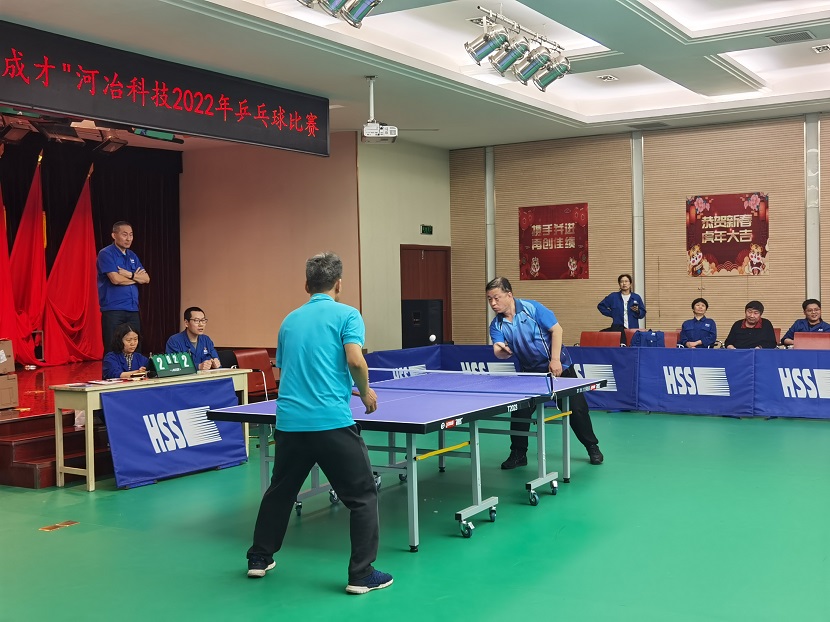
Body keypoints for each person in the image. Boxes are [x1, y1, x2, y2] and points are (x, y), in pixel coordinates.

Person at [246, 252, 392, 595]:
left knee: (281, 492)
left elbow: (292, 369)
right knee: (362, 496)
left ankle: (259, 558)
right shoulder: (348, 315)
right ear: (339, 284)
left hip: (290, 424)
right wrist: (364, 391)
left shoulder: (289, 321)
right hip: (331, 424)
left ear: (306, 285)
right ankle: (361, 574)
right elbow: (355, 360)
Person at [486, 276, 603, 468]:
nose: (493, 303)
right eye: (489, 299)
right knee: (520, 412)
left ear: (509, 295)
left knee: (577, 409)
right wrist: (502, 351)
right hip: (530, 373)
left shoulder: (533, 308)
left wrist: (555, 359)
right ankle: (518, 453)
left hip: (559, 368)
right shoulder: (496, 324)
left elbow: (557, 330)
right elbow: (498, 350)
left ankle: (592, 447)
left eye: (496, 298)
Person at [97, 221, 150, 348]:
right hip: (113, 309)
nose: (128, 238)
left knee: (135, 347)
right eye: (124, 234)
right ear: (114, 235)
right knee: (113, 347)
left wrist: (129, 274)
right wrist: (136, 278)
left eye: (131, 235)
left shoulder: (132, 255)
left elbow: (146, 279)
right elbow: (115, 279)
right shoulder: (106, 253)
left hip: (133, 309)